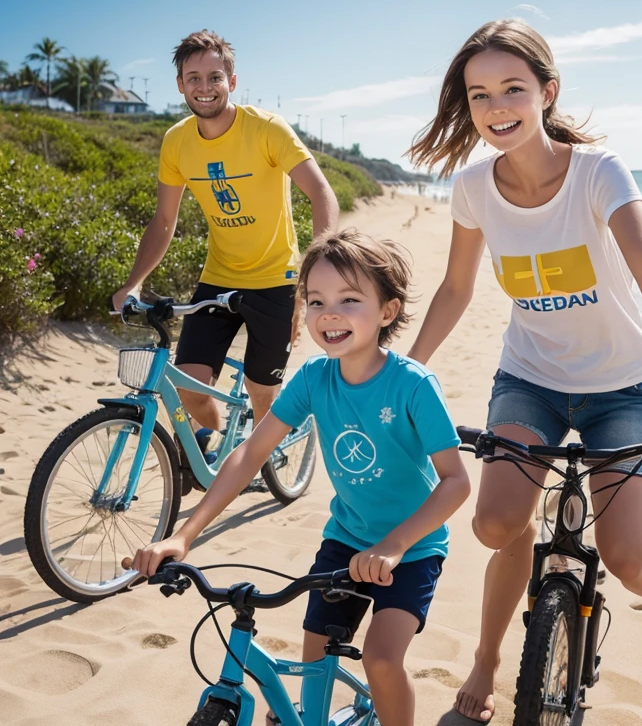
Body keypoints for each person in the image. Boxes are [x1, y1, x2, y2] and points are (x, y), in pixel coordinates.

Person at [407, 19, 642, 722]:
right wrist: (405, 371)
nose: (496, 107)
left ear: (547, 92)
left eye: (513, 89)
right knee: (496, 524)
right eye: (480, 94)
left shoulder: (598, 172)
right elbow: (457, 290)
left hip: (624, 386)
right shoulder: (472, 189)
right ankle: (490, 658)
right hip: (531, 380)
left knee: (624, 556)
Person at [132, 229, 472, 726]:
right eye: (316, 301)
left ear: (387, 312)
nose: (329, 314)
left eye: (349, 300)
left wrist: (395, 546)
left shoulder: (412, 385)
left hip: (413, 549)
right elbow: (250, 453)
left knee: (380, 659)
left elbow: (456, 483)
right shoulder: (315, 377)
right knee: (315, 665)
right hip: (346, 540)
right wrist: (182, 536)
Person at [112, 30, 338, 471]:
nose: (204, 86)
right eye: (193, 77)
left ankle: (264, 447)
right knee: (191, 392)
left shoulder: (267, 129)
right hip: (218, 277)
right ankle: (214, 443)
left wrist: (317, 271)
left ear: (232, 81)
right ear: (179, 84)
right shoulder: (177, 141)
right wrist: (133, 283)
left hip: (277, 279)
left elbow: (323, 194)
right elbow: (163, 222)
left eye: (215, 76)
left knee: (261, 394)